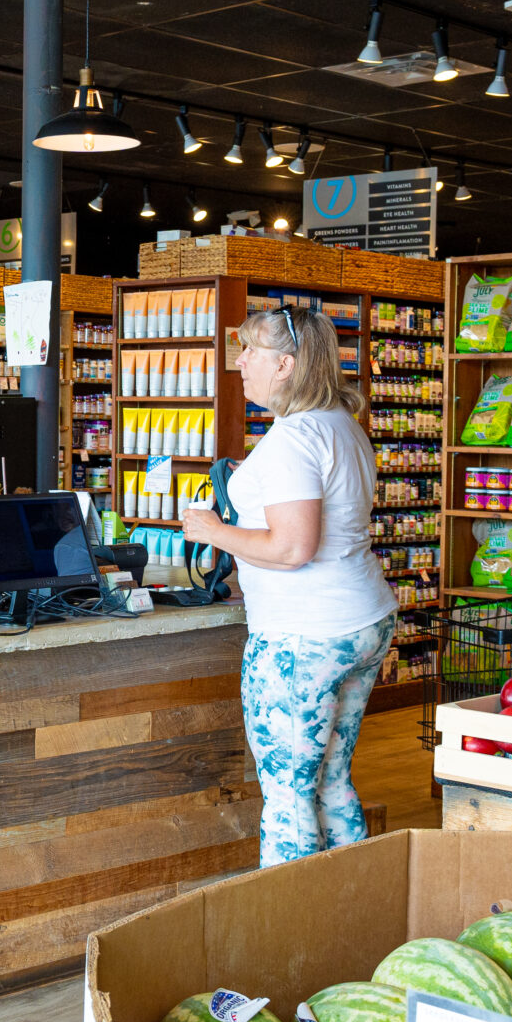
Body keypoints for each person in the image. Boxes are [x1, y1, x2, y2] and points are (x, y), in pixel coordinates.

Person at [179, 305, 394, 867]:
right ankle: (358, 897)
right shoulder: (340, 425)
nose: (241, 361)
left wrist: (215, 531)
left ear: (287, 364)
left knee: (288, 793)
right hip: (360, 620)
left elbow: (293, 547)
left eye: (251, 350)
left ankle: (290, 932)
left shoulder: (294, 439)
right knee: (330, 779)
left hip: (304, 638)